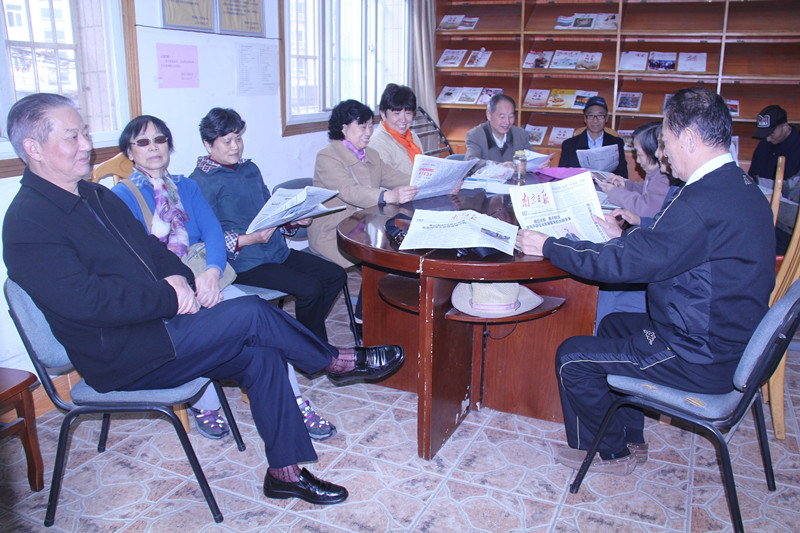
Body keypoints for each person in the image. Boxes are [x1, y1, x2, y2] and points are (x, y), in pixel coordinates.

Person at [3, 93, 405, 505]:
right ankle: (335, 361)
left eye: (85, 133)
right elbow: (89, 303)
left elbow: (151, 248)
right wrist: (169, 295)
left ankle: (284, 474)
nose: (87, 145)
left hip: (159, 329)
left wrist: (181, 279)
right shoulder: (27, 224)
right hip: (122, 354)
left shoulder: (94, 196)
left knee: (263, 355)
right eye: (72, 136)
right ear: (34, 148)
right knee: (250, 312)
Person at [516, 87, 775, 475]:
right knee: (613, 324)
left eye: (666, 141)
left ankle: (611, 454)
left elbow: (626, 265)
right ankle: (629, 437)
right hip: (722, 339)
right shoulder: (738, 186)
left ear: (690, 138)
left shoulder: (701, 202)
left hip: (698, 354)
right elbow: (674, 245)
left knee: (572, 358)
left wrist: (550, 245)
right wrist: (626, 235)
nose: (664, 154)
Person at [111, 115, 337, 442]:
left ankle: (296, 402)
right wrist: (182, 285)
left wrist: (212, 273)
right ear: (129, 152)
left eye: (159, 140)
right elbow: (133, 256)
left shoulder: (185, 186)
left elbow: (213, 233)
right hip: (163, 289)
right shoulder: (122, 196)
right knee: (200, 330)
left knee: (263, 326)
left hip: (205, 274)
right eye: (143, 142)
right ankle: (205, 403)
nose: (154, 147)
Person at [309, 99, 417, 270]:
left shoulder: (371, 154)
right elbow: (349, 191)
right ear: (344, 128)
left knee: (404, 250)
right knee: (385, 263)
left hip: (366, 225)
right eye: (362, 127)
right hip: (336, 232)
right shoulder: (327, 156)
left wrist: (429, 182)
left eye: (370, 126)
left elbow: (395, 176)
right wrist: (388, 196)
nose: (368, 132)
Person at [595, 121, 669, 218]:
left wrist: (615, 192)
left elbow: (646, 209)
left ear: (653, 152)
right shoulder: (655, 173)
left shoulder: (664, 178)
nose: (637, 160)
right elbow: (646, 189)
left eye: (640, 154)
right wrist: (626, 185)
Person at [559, 96, 628, 179]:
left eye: (600, 115)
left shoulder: (617, 143)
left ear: (606, 119)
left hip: (607, 185)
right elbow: (562, 175)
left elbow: (623, 175)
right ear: (585, 119)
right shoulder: (569, 145)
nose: (595, 120)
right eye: (591, 115)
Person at [367, 83, 423, 177]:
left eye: (408, 113)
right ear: (383, 114)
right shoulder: (376, 144)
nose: (403, 119)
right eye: (397, 113)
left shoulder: (413, 137)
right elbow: (384, 182)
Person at [464, 94, 532, 166]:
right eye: (502, 117)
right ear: (489, 115)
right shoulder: (475, 135)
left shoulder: (520, 134)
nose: (507, 122)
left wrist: (539, 163)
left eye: (511, 116)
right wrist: (498, 165)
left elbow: (533, 157)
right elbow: (470, 162)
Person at [749, 105, 800, 183]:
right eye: (764, 134)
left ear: (785, 126)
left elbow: (793, 187)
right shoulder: (763, 145)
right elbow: (752, 176)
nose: (768, 139)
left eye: (772, 133)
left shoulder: (797, 148)